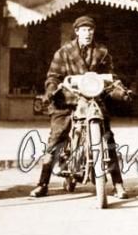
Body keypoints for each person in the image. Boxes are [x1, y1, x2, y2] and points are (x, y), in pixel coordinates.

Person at [29, 15, 131, 199]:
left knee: (108, 139)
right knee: (56, 138)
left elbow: (111, 77)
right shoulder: (63, 52)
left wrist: (121, 90)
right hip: (68, 100)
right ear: (76, 31)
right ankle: (42, 183)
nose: (88, 33)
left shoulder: (102, 52)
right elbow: (53, 76)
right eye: (83, 29)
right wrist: (52, 90)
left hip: (93, 99)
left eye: (90, 29)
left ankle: (118, 184)